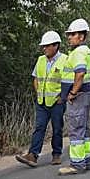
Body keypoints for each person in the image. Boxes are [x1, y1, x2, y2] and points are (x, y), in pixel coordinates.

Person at [16, 30, 67, 167]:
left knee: (57, 128)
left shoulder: (65, 60)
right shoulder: (40, 60)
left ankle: (56, 154)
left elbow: (68, 81)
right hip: (42, 101)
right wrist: (38, 91)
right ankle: (33, 155)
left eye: (47, 46)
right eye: (43, 46)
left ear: (56, 45)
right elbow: (36, 78)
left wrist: (62, 97)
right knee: (39, 127)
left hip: (57, 102)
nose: (44, 48)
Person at [58, 18, 90, 175]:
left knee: (76, 128)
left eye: (73, 34)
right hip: (86, 92)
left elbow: (80, 73)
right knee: (84, 128)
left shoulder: (79, 52)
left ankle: (77, 164)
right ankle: (86, 160)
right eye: (69, 34)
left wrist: (72, 92)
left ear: (81, 36)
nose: (69, 37)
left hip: (78, 96)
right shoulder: (86, 51)